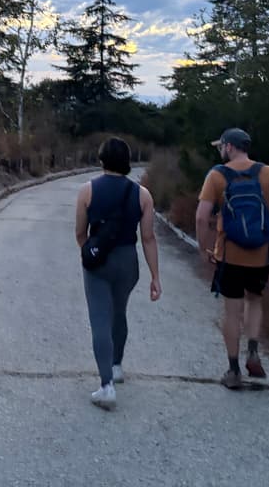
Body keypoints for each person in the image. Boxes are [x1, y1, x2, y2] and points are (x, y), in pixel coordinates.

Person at [195, 128, 269, 389]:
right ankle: (253, 352)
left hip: (229, 256)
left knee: (232, 312)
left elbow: (201, 217)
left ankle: (233, 371)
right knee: (254, 302)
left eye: (221, 146)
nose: (220, 151)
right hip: (260, 256)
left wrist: (203, 249)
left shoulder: (217, 176)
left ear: (230, 147)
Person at [75, 137, 162, 409]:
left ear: (101, 161)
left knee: (100, 319)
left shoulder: (87, 191)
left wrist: (91, 252)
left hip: (100, 262)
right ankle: (116, 366)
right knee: (119, 312)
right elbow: (148, 238)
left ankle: (106, 386)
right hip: (128, 260)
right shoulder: (143, 194)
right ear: (127, 161)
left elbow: (80, 233)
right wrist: (155, 276)